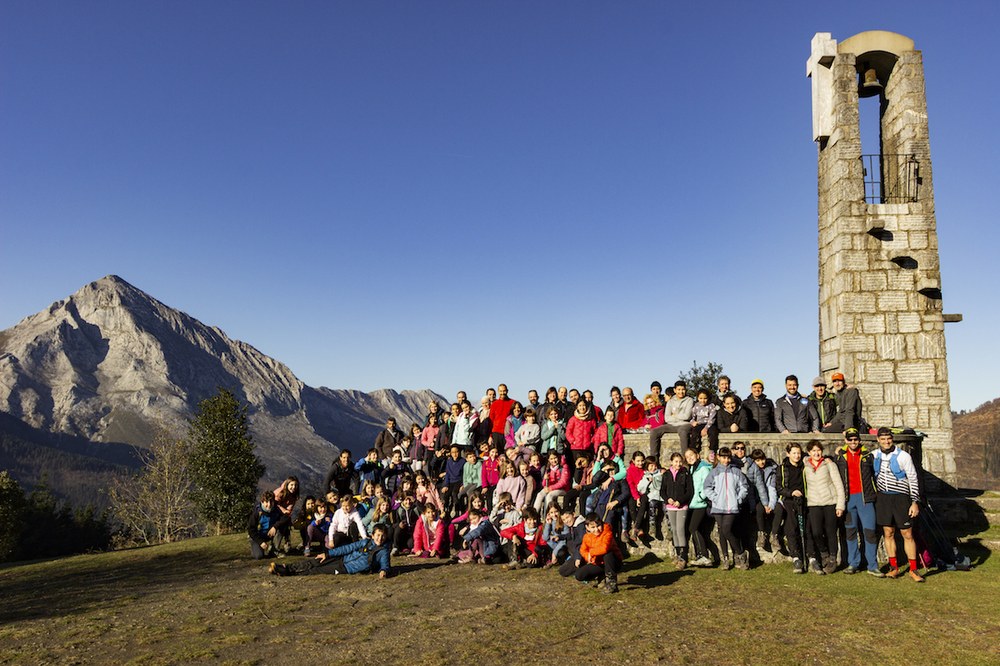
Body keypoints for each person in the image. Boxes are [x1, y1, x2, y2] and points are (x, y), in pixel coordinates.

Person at [873, 427, 924, 582]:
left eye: (888, 438)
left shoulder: (903, 456)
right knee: (888, 533)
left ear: (892, 439)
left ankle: (914, 569)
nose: (886, 442)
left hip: (902, 498)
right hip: (883, 498)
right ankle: (894, 568)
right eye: (883, 439)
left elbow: (913, 478)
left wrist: (915, 502)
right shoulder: (874, 456)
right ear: (878, 440)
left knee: (907, 534)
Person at [834, 428, 882, 576]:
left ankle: (872, 565)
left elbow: (877, 474)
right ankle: (853, 563)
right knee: (851, 533)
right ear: (845, 441)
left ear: (859, 440)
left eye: (855, 439)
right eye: (850, 439)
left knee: (869, 532)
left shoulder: (868, 455)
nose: (853, 442)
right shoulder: (840, 457)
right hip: (848, 500)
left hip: (865, 499)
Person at [270, 524, 392, 578]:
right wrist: (328, 554)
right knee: (315, 561)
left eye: (382, 536)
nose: (380, 538)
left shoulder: (383, 551)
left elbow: (385, 564)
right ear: (373, 535)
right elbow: (347, 548)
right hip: (342, 559)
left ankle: (289, 573)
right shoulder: (365, 542)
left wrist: (383, 571)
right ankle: (286, 567)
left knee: (317, 570)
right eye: (378, 535)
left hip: (346, 569)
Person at [702, 447, 749, 570]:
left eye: (728, 457)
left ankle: (740, 553)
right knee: (722, 532)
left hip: (732, 507)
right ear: (719, 457)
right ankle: (726, 559)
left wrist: (738, 499)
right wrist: (715, 498)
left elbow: (744, 486)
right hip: (718, 507)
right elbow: (707, 487)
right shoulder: (714, 472)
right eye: (723, 457)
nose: (726, 460)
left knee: (727, 530)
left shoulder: (736, 471)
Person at [803, 441, 845, 574]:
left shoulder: (829, 464)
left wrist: (840, 505)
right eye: (813, 451)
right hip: (814, 503)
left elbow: (838, 484)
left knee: (831, 532)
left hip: (830, 502)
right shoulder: (806, 466)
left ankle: (832, 559)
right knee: (816, 532)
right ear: (809, 452)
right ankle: (824, 554)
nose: (816, 453)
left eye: (818, 450)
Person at [567, 513, 623, 593]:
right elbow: (583, 550)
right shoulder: (586, 537)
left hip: (613, 562)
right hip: (598, 562)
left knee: (607, 554)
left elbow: (604, 548)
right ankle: (601, 576)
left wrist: (591, 553)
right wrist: (588, 557)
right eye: (593, 527)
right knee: (579, 575)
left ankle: (611, 583)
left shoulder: (607, 532)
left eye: (598, 526)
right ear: (587, 527)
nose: (596, 529)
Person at [776, 443, 807, 573]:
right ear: (788, 454)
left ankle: (810, 557)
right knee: (791, 528)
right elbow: (779, 488)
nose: (797, 456)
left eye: (799, 453)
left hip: (804, 500)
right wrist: (791, 493)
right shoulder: (782, 468)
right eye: (794, 453)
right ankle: (796, 557)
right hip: (788, 501)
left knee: (806, 529)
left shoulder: (805, 467)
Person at [660, 452, 693, 569]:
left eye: (680, 462)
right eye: (675, 461)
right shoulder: (667, 474)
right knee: (674, 530)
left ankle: (683, 557)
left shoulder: (686, 473)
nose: (678, 464)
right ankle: (678, 555)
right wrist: (667, 499)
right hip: (670, 506)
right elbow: (662, 491)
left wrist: (680, 500)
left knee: (680, 529)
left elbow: (689, 491)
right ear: (671, 462)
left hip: (681, 506)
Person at [649, 381, 694, 461]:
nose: (681, 392)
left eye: (683, 389)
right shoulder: (670, 401)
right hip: (671, 425)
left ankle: (685, 460)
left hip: (685, 424)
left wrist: (674, 415)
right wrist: (678, 417)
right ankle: (653, 460)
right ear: (675, 390)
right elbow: (667, 418)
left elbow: (687, 416)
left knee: (682, 431)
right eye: (679, 389)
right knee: (654, 431)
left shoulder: (689, 400)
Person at [684, 448, 715, 567]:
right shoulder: (693, 468)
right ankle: (699, 556)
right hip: (693, 504)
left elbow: (706, 485)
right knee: (697, 530)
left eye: (691, 455)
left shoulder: (703, 468)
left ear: (697, 455)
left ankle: (704, 556)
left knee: (693, 528)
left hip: (700, 504)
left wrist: (700, 497)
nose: (690, 458)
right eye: (687, 457)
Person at [248, 490, 290, 559]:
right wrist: (260, 542)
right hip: (257, 536)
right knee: (259, 556)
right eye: (266, 502)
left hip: (269, 534)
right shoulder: (257, 513)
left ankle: (274, 550)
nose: (269, 504)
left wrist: (275, 527)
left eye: (271, 502)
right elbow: (251, 529)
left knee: (282, 526)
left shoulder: (276, 509)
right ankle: (256, 547)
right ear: (262, 502)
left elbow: (286, 518)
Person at [565, 399, 598, 468]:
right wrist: (573, 441)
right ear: (577, 407)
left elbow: (596, 432)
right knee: (578, 468)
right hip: (576, 448)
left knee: (587, 467)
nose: (582, 407)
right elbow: (568, 432)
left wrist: (591, 441)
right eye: (580, 405)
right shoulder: (573, 419)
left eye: (584, 405)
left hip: (587, 448)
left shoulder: (591, 419)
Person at [489, 384, 515, 449]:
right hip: (496, 432)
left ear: (507, 391)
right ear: (498, 391)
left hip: (508, 433)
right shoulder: (494, 404)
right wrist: (490, 435)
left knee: (508, 452)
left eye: (504, 391)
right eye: (501, 391)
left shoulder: (513, 403)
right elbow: (491, 421)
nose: (502, 393)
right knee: (497, 453)